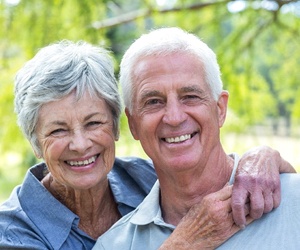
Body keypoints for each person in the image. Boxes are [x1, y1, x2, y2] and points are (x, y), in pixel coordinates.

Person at [0, 40, 294, 250]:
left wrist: (262, 157)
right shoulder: (11, 235)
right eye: (58, 130)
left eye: (93, 123)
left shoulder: (144, 176)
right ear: (35, 143)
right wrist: (186, 242)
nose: (79, 144)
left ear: (118, 126)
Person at [92, 27, 297, 250]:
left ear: (220, 109)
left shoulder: (294, 199)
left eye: (190, 97)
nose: (174, 117)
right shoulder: (113, 245)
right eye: (153, 101)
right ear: (133, 124)